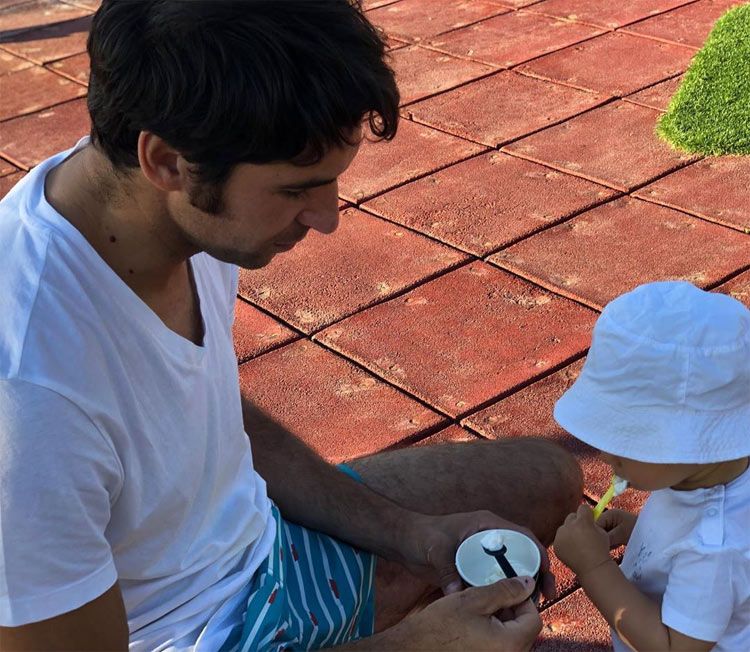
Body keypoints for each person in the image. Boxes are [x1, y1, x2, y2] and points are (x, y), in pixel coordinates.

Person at [0, 1, 582, 650]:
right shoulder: (32, 398)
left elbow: (205, 415)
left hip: (262, 542)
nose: (327, 218)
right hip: (200, 635)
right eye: (296, 189)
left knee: (548, 481)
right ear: (168, 163)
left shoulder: (156, 196)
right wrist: (415, 645)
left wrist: (412, 536)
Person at [553, 281, 750, 652]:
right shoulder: (699, 474)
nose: (606, 456)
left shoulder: (715, 549)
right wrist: (643, 532)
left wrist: (593, 567)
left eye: (626, 443)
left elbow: (674, 647)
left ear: (694, 442)